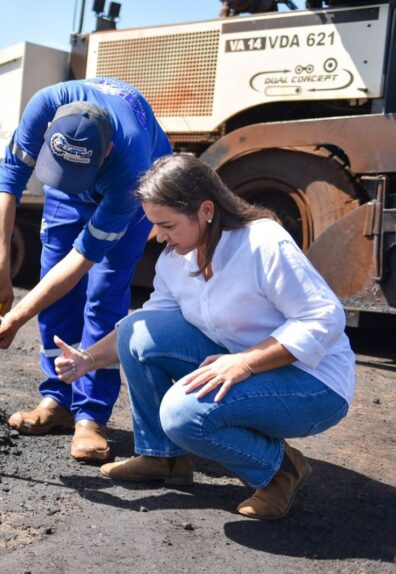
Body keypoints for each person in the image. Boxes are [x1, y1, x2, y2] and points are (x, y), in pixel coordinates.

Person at [53, 154, 355, 519]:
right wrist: (88, 360)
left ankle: (279, 470)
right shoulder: (174, 260)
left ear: (206, 210)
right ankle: (162, 458)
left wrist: (244, 362)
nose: (159, 236)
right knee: (138, 330)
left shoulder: (262, 242)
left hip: (314, 383)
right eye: (154, 225)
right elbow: (147, 326)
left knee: (184, 414)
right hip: (241, 364)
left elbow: (324, 318)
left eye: (167, 225)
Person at [0, 78, 172, 462]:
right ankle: (57, 399)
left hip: (128, 188)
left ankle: (90, 417)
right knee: (52, 279)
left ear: (107, 150)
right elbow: (7, 181)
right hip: (79, 174)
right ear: (49, 134)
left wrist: (15, 317)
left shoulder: (131, 169)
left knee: (103, 292)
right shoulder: (45, 105)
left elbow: (84, 259)